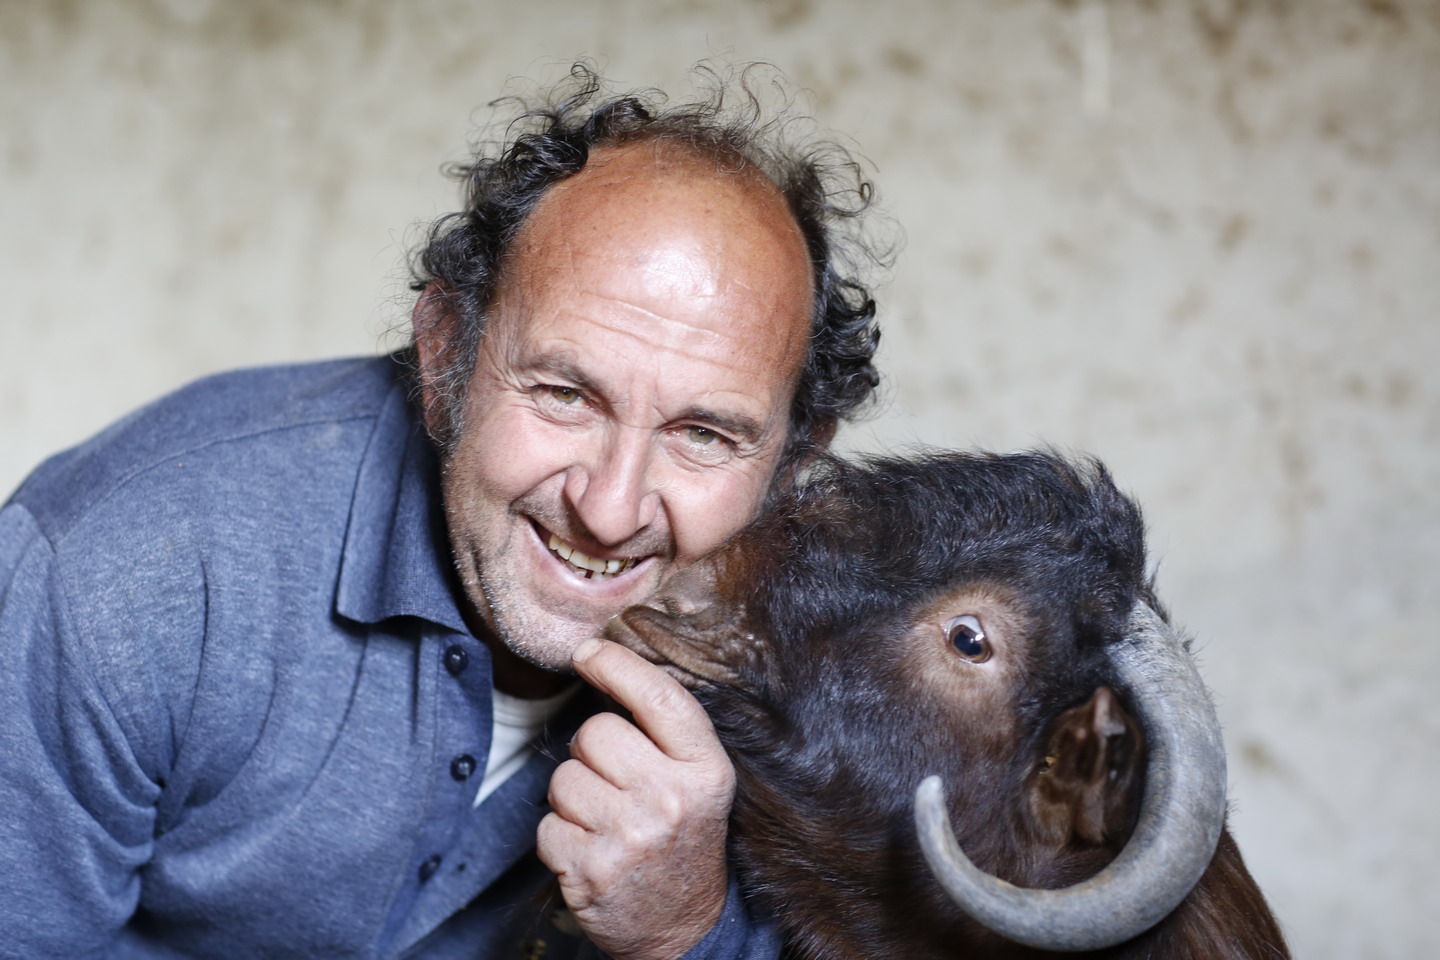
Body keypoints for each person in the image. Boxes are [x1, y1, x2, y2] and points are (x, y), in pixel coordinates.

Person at [0, 63, 885, 959]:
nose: (611, 512)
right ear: (443, 355)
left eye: (703, 434)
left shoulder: (850, 680)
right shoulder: (132, 568)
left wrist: (686, 930)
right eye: (564, 394)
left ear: (793, 463)